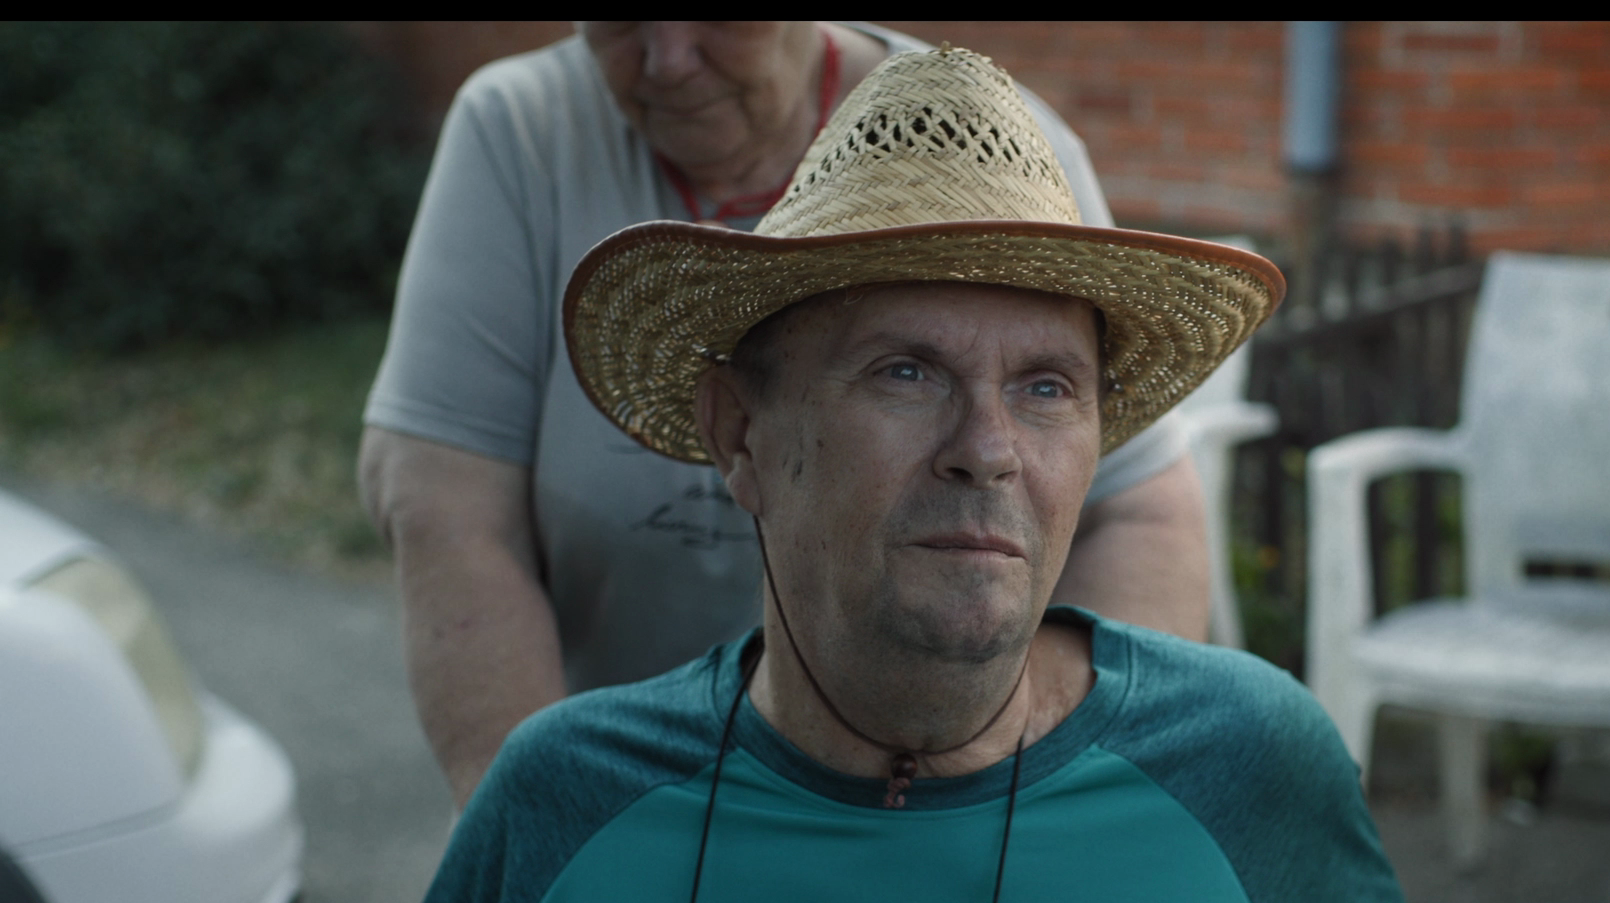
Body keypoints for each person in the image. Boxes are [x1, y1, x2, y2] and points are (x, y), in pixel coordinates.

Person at [373, 48, 1474, 903]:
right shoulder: (561, 808)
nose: (987, 451)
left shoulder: (1247, 769)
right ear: (740, 434)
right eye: (905, 372)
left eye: (1046, 387)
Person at [357, 21, 1212, 809]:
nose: (668, 60)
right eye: (620, 23)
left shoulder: (986, 141)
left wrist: (1063, 806)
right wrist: (549, 829)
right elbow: (447, 507)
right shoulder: (524, 131)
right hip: (614, 786)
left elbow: (1143, 513)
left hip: (958, 806)